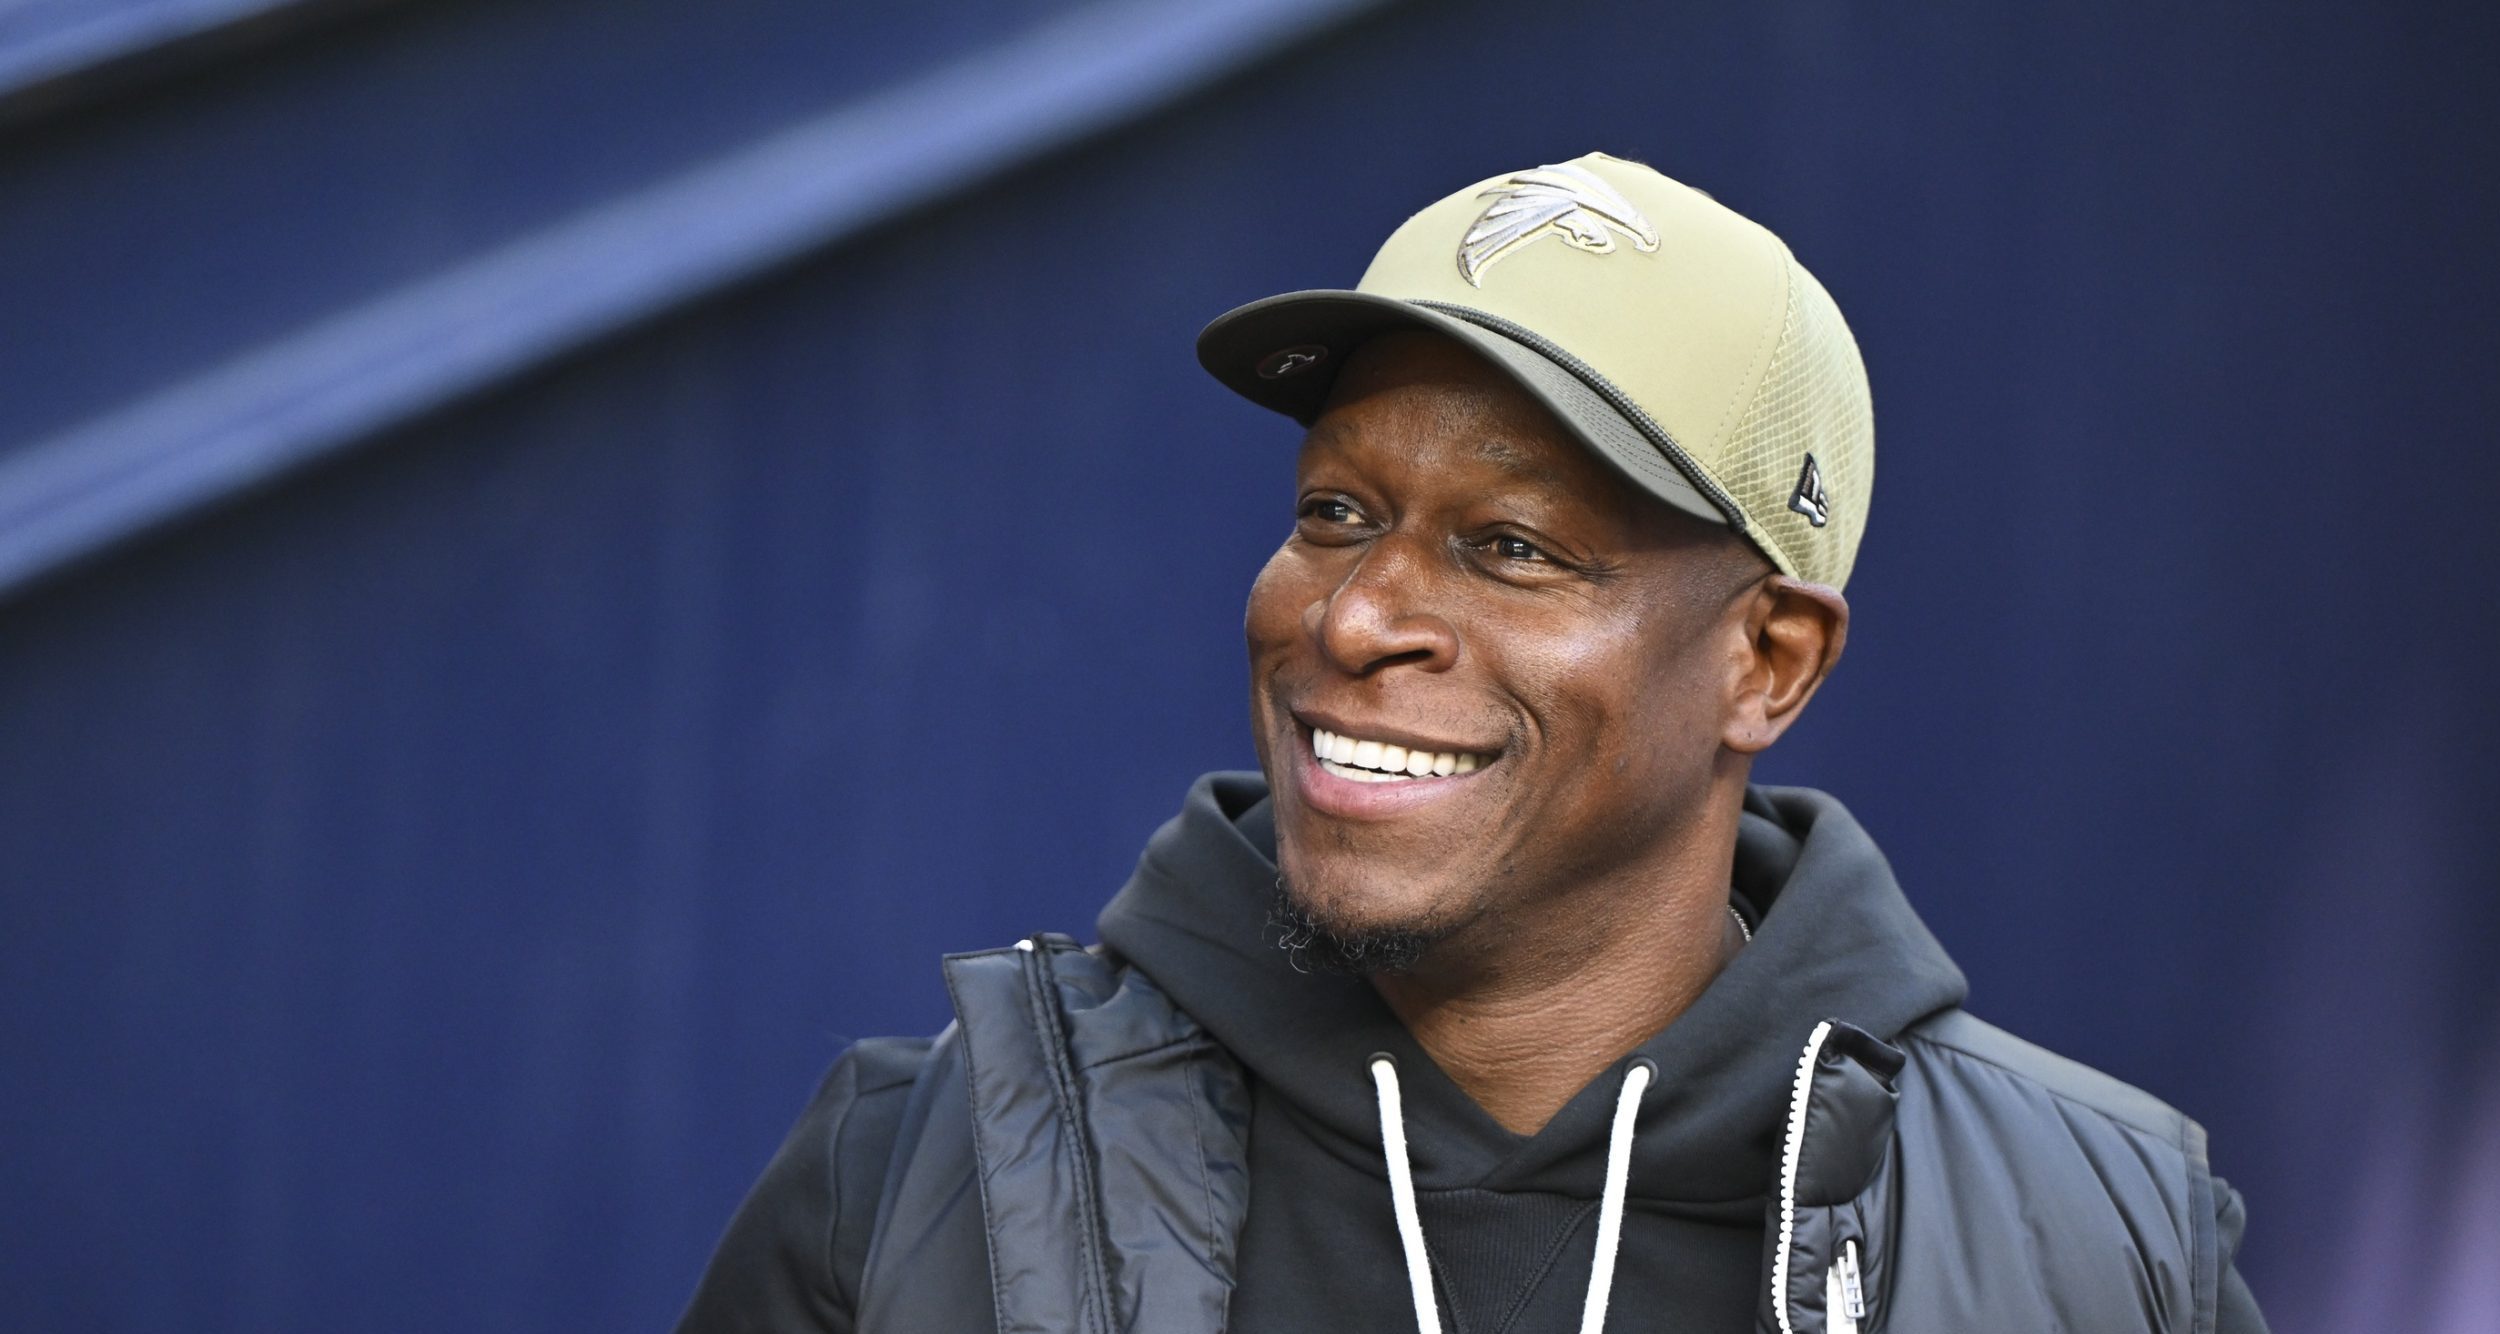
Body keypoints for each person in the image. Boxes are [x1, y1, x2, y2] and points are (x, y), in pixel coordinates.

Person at [677, 153, 2268, 1333]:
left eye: (1512, 545)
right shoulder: (924, 1175)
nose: (1356, 618)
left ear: (1765, 660)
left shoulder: (2097, 1246)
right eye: (1335, 512)